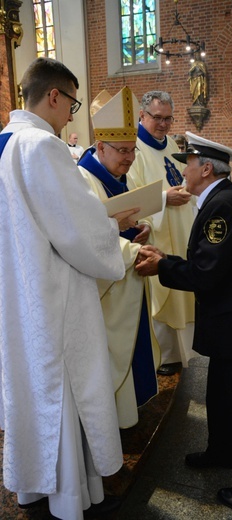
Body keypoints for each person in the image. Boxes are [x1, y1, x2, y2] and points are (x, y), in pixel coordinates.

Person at [0, 57, 139, 519]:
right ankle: (70, 499)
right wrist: (112, 229)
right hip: (53, 295)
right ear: (54, 96)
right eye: (72, 103)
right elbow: (77, 233)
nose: (71, 116)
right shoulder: (41, 145)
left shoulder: (3, 143)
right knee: (64, 390)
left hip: (18, 293)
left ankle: (33, 490)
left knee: (32, 387)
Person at [135, 132, 232, 513]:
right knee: (219, 394)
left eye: (188, 163)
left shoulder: (223, 206)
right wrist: (166, 257)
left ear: (204, 168)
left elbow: (206, 273)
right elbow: (211, 265)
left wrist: (161, 266)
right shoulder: (219, 200)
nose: (183, 169)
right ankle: (222, 451)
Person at [78, 86, 160, 428]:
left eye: (132, 150)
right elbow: (88, 238)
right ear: (100, 146)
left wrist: (141, 228)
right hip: (108, 290)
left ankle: (130, 411)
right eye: (122, 151)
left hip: (129, 278)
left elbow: (120, 219)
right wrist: (135, 249)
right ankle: (110, 420)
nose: (129, 158)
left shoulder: (116, 175)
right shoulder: (83, 179)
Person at [128, 91, 196, 376]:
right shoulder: (131, 149)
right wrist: (166, 198)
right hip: (157, 231)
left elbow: (179, 176)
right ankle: (164, 355)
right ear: (142, 116)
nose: (164, 124)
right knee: (163, 291)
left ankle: (183, 353)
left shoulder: (170, 144)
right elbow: (131, 194)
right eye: (158, 118)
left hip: (180, 226)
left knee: (184, 288)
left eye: (168, 118)